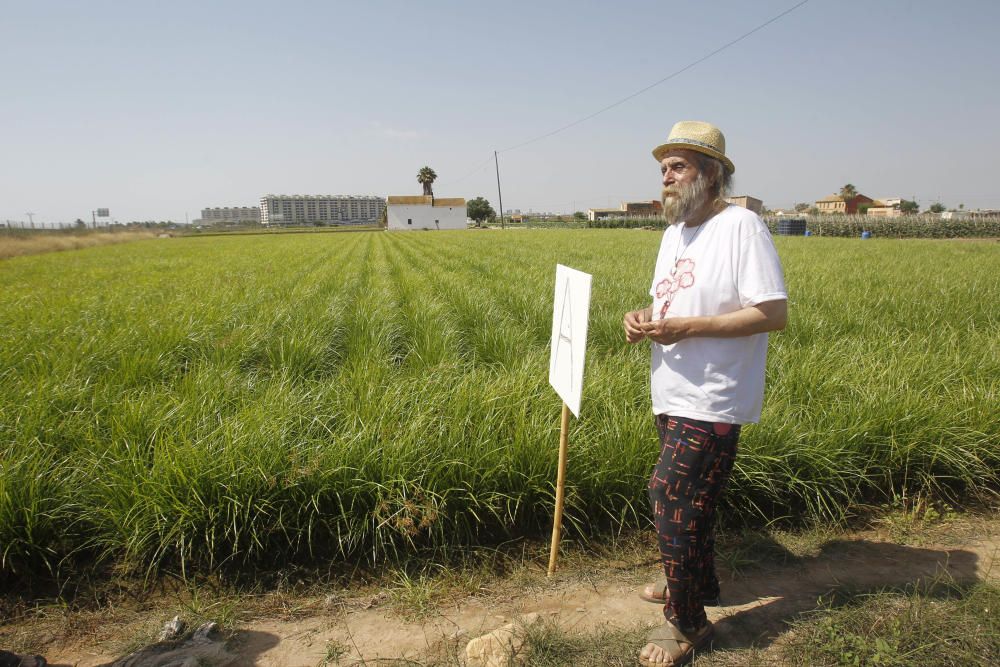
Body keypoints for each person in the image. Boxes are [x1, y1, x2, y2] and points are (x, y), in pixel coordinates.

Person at [623, 120, 787, 666]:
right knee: (696, 500)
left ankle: (688, 623)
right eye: (663, 168)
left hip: (714, 394)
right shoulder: (674, 233)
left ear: (710, 173)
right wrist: (644, 318)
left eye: (678, 167)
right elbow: (669, 302)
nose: (666, 178)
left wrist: (687, 328)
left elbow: (772, 313)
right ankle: (699, 584)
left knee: (668, 494)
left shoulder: (742, 226)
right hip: (670, 387)